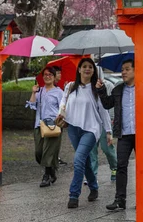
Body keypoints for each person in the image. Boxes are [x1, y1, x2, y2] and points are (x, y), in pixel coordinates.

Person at [99, 59, 143, 211]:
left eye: (127, 69)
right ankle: (120, 199)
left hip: (142, 134)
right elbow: (108, 104)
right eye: (122, 69)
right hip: (125, 134)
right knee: (121, 166)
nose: (124, 72)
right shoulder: (118, 89)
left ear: (135, 71)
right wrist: (100, 90)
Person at [59, 58, 113, 209]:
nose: (87, 69)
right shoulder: (70, 86)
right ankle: (94, 187)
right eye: (84, 66)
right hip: (73, 128)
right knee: (85, 160)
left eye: (90, 67)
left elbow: (104, 111)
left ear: (93, 71)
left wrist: (108, 131)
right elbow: (63, 102)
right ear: (79, 69)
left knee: (78, 159)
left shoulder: (97, 89)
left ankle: (73, 195)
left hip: (91, 129)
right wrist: (60, 113)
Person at [26, 65, 64, 188]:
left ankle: (47, 176)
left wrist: (60, 119)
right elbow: (31, 105)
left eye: (50, 75)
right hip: (39, 124)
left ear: (54, 77)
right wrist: (33, 92)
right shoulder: (39, 91)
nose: (47, 77)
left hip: (53, 125)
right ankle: (52, 171)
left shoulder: (59, 92)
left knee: (48, 151)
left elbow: (63, 109)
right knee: (39, 152)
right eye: (45, 75)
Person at [86, 78, 118, 184]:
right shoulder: (85, 86)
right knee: (92, 150)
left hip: (105, 122)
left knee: (107, 148)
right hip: (91, 123)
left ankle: (115, 167)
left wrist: (112, 118)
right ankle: (92, 174)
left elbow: (111, 102)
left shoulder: (107, 85)